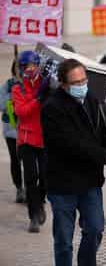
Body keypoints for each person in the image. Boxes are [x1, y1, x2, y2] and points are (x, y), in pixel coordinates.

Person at [41, 59, 106, 266]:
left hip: (90, 182)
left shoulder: (91, 100)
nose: (82, 86)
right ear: (63, 84)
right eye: (76, 83)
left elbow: (100, 137)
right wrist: (105, 156)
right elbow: (72, 144)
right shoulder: (52, 108)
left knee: (95, 229)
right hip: (63, 185)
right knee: (64, 240)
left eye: (84, 80)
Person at [12, 51, 48, 233]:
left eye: (34, 65)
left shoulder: (46, 83)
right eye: (27, 66)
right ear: (22, 68)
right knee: (31, 178)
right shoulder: (18, 88)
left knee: (46, 177)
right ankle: (33, 216)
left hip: (45, 138)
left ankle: (41, 202)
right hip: (26, 139)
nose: (31, 69)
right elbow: (21, 112)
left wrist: (48, 90)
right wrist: (37, 99)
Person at [0, 61, 24, 203]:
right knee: (15, 160)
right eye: (18, 67)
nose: (20, 70)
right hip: (11, 131)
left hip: (28, 131)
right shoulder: (8, 85)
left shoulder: (31, 85)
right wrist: (13, 94)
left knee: (29, 162)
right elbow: (1, 104)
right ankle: (19, 188)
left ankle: (30, 188)